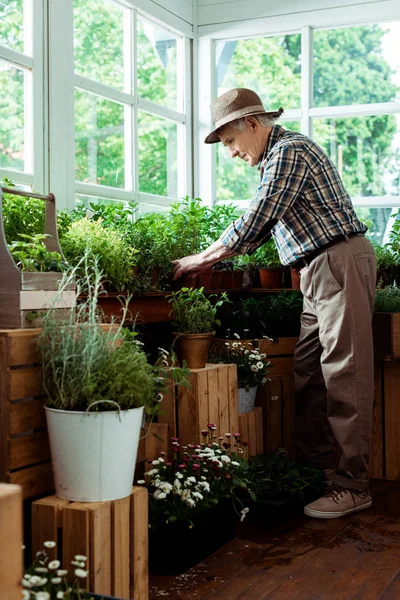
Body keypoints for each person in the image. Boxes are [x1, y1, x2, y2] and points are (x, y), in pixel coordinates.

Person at [172, 87, 377, 519]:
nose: (229, 152)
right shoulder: (275, 160)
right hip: (316, 270)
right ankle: (318, 471)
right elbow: (266, 231)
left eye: (229, 140)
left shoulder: (289, 151)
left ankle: (353, 486)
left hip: (338, 261)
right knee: (308, 372)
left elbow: (258, 217)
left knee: (345, 374)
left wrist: (201, 258)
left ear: (252, 123)